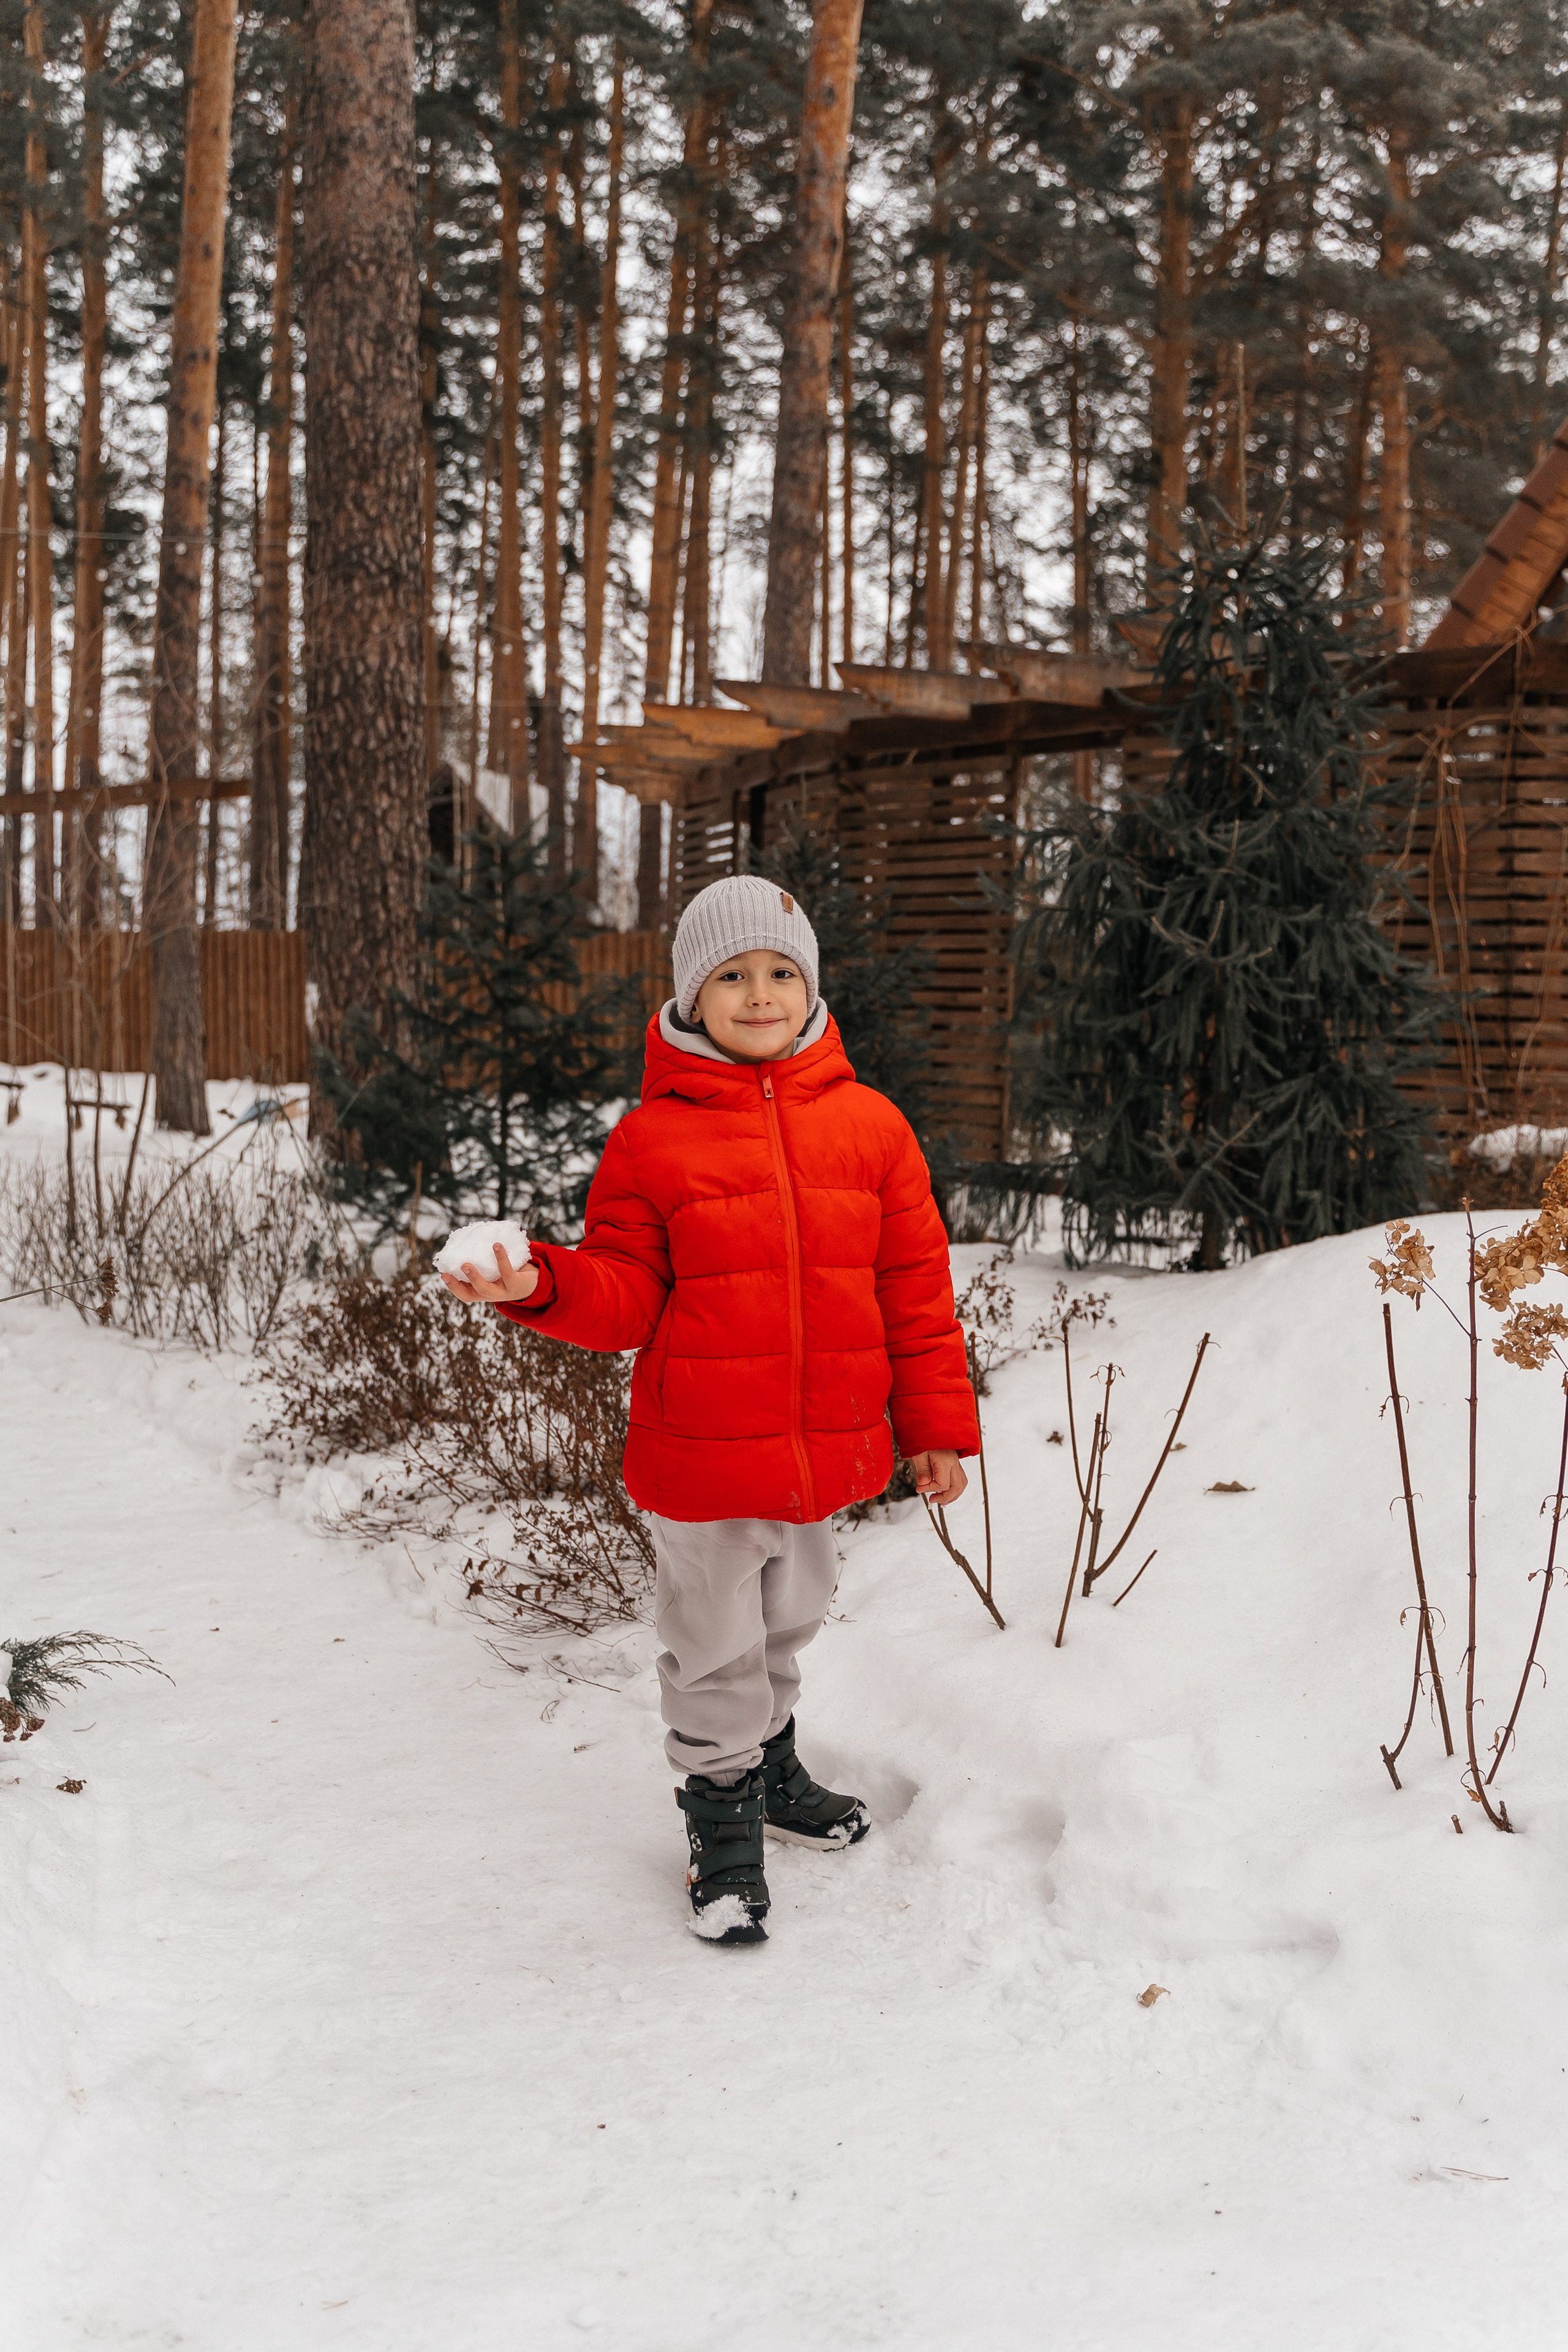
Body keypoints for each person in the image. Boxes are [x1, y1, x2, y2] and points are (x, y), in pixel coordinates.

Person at [440, 873, 978, 1946]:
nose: (761, 994)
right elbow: (626, 1292)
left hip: (821, 1456)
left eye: (781, 972)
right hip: (702, 1456)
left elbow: (914, 1291)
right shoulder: (654, 1141)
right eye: (732, 977)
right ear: (693, 997)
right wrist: (541, 1282)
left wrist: (935, 1428)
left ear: (811, 987)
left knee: (788, 1625)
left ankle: (767, 1767)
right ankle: (721, 1813)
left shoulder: (872, 1128)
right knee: (714, 1645)